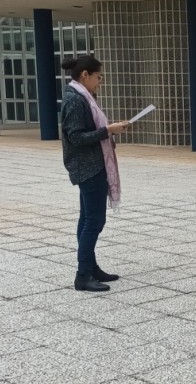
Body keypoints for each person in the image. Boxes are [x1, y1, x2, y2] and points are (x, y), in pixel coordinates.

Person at [60, 55, 130, 292]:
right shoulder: (75, 100)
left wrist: (108, 133)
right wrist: (107, 131)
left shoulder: (83, 96)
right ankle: (83, 275)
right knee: (94, 221)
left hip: (93, 163)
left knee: (87, 218)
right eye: (99, 77)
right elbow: (75, 137)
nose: (101, 81)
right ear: (85, 75)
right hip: (87, 166)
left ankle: (90, 267)